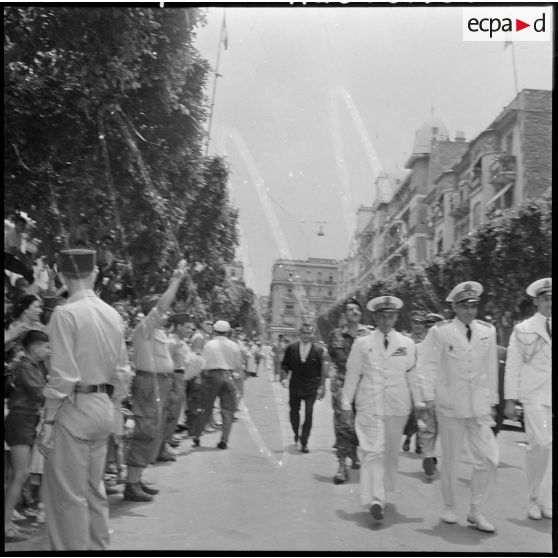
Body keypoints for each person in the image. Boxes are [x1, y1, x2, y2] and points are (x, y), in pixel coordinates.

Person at [37, 249, 131, 551]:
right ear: (94, 275)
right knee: (94, 492)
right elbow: (122, 373)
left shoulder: (65, 313)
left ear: (62, 277)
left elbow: (63, 376)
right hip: (102, 406)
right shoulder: (113, 314)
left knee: (67, 499)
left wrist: (48, 421)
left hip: (73, 408)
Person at [416, 281, 499, 532]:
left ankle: (476, 509)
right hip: (450, 405)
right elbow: (427, 366)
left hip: (479, 406)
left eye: (474, 305)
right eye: (465, 305)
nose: (471, 311)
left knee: (489, 459)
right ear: (454, 307)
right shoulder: (440, 332)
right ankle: (450, 506)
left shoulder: (488, 331)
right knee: (451, 460)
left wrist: (493, 401)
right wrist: (427, 399)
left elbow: (491, 368)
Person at [341, 296, 415, 522]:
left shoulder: (407, 344)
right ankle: (376, 499)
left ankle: (381, 490)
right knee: (373, 452)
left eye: (390, 316)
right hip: (369, 404)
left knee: (390, 454)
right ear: (374, 317)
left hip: (397, 406)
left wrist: (420, 404)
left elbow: (412, 376)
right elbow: (352, 375)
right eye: (381, 316)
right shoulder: (362, 343)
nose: (386, 320)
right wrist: (346, 404)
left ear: (396, 317)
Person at [124, 261, 191, 501]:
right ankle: (131, 484)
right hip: (149, 383)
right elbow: (163, 306)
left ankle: (137, 479)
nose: (168, 312)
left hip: (160, 383)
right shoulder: (145, 328)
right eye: (163, 310)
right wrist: (176, 280)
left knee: (153, 432)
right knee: (146, 431)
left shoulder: (159, 333)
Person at [504, 278, 552, 520]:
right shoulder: (523, 329)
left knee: (551, 448)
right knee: (541, 444)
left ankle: (547, 500)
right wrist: (510, 400)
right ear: (536, 301)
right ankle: (533, 499)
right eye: (545, 299)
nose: (550, 304)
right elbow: (512, 366)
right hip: (534, 397)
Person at [4, 330, 50, 542]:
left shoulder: (32, 366)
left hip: (25, 420)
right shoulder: (25, 366)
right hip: (20, 420)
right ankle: (5, 526)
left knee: (17, 475)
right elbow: (39, 394)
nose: (47, 351)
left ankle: (7, 522)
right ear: (35, 347)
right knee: (20, 475)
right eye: (45, 346)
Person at [327, 298, 372, 484]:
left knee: (360, 425)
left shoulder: (370, 334)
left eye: (357, 309)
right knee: (343, 425)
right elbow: (332, 359)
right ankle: (341, 465)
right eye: (350, 310)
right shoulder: (336, 335)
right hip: (343, 385)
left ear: (361, 313)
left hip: (364, 387)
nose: (353, 312)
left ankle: (354, 452)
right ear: (345, 314)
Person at [191, 320, 242, 449]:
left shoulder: (209, 345)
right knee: (228, 411)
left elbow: (203, 363)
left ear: (214, 331)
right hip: (229, 376)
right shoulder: (234, 346)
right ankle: (224, 440)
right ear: (228, 332)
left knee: (205, 408)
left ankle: (197, 436)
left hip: (212, 376)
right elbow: (237, 365)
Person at [281, 323, 326, 453]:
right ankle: (296, 432)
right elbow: (285, 365)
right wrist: (284, 377)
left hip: (311, 386)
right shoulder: (291, 348)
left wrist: (321, 387)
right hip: (295, 384)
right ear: (300, 334)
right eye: (304, 333)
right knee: (293, 413)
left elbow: (322, 370)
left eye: (309, 333)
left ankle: (305, 442)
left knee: (309, 413)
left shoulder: (318, 350)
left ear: (312, 335)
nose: (306, 335)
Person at [410, 312, 443, 479]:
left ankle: (430, 454)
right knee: (429, 428)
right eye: (430, 327)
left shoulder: (446, 348)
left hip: (440, 395)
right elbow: (414, 373)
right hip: (428, 395)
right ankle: (428, 456)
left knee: (434, 429)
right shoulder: (418, 348)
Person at [402, 310, 427, 454]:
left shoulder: (429, 341)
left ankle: (419, 441)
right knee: (411, 413)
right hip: (408, 383)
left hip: (423, 382)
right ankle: (408, 437)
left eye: (421, 323)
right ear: (411, 323)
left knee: (422, 413)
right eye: (416, 322)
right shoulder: (405, 341)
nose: (418, 326)